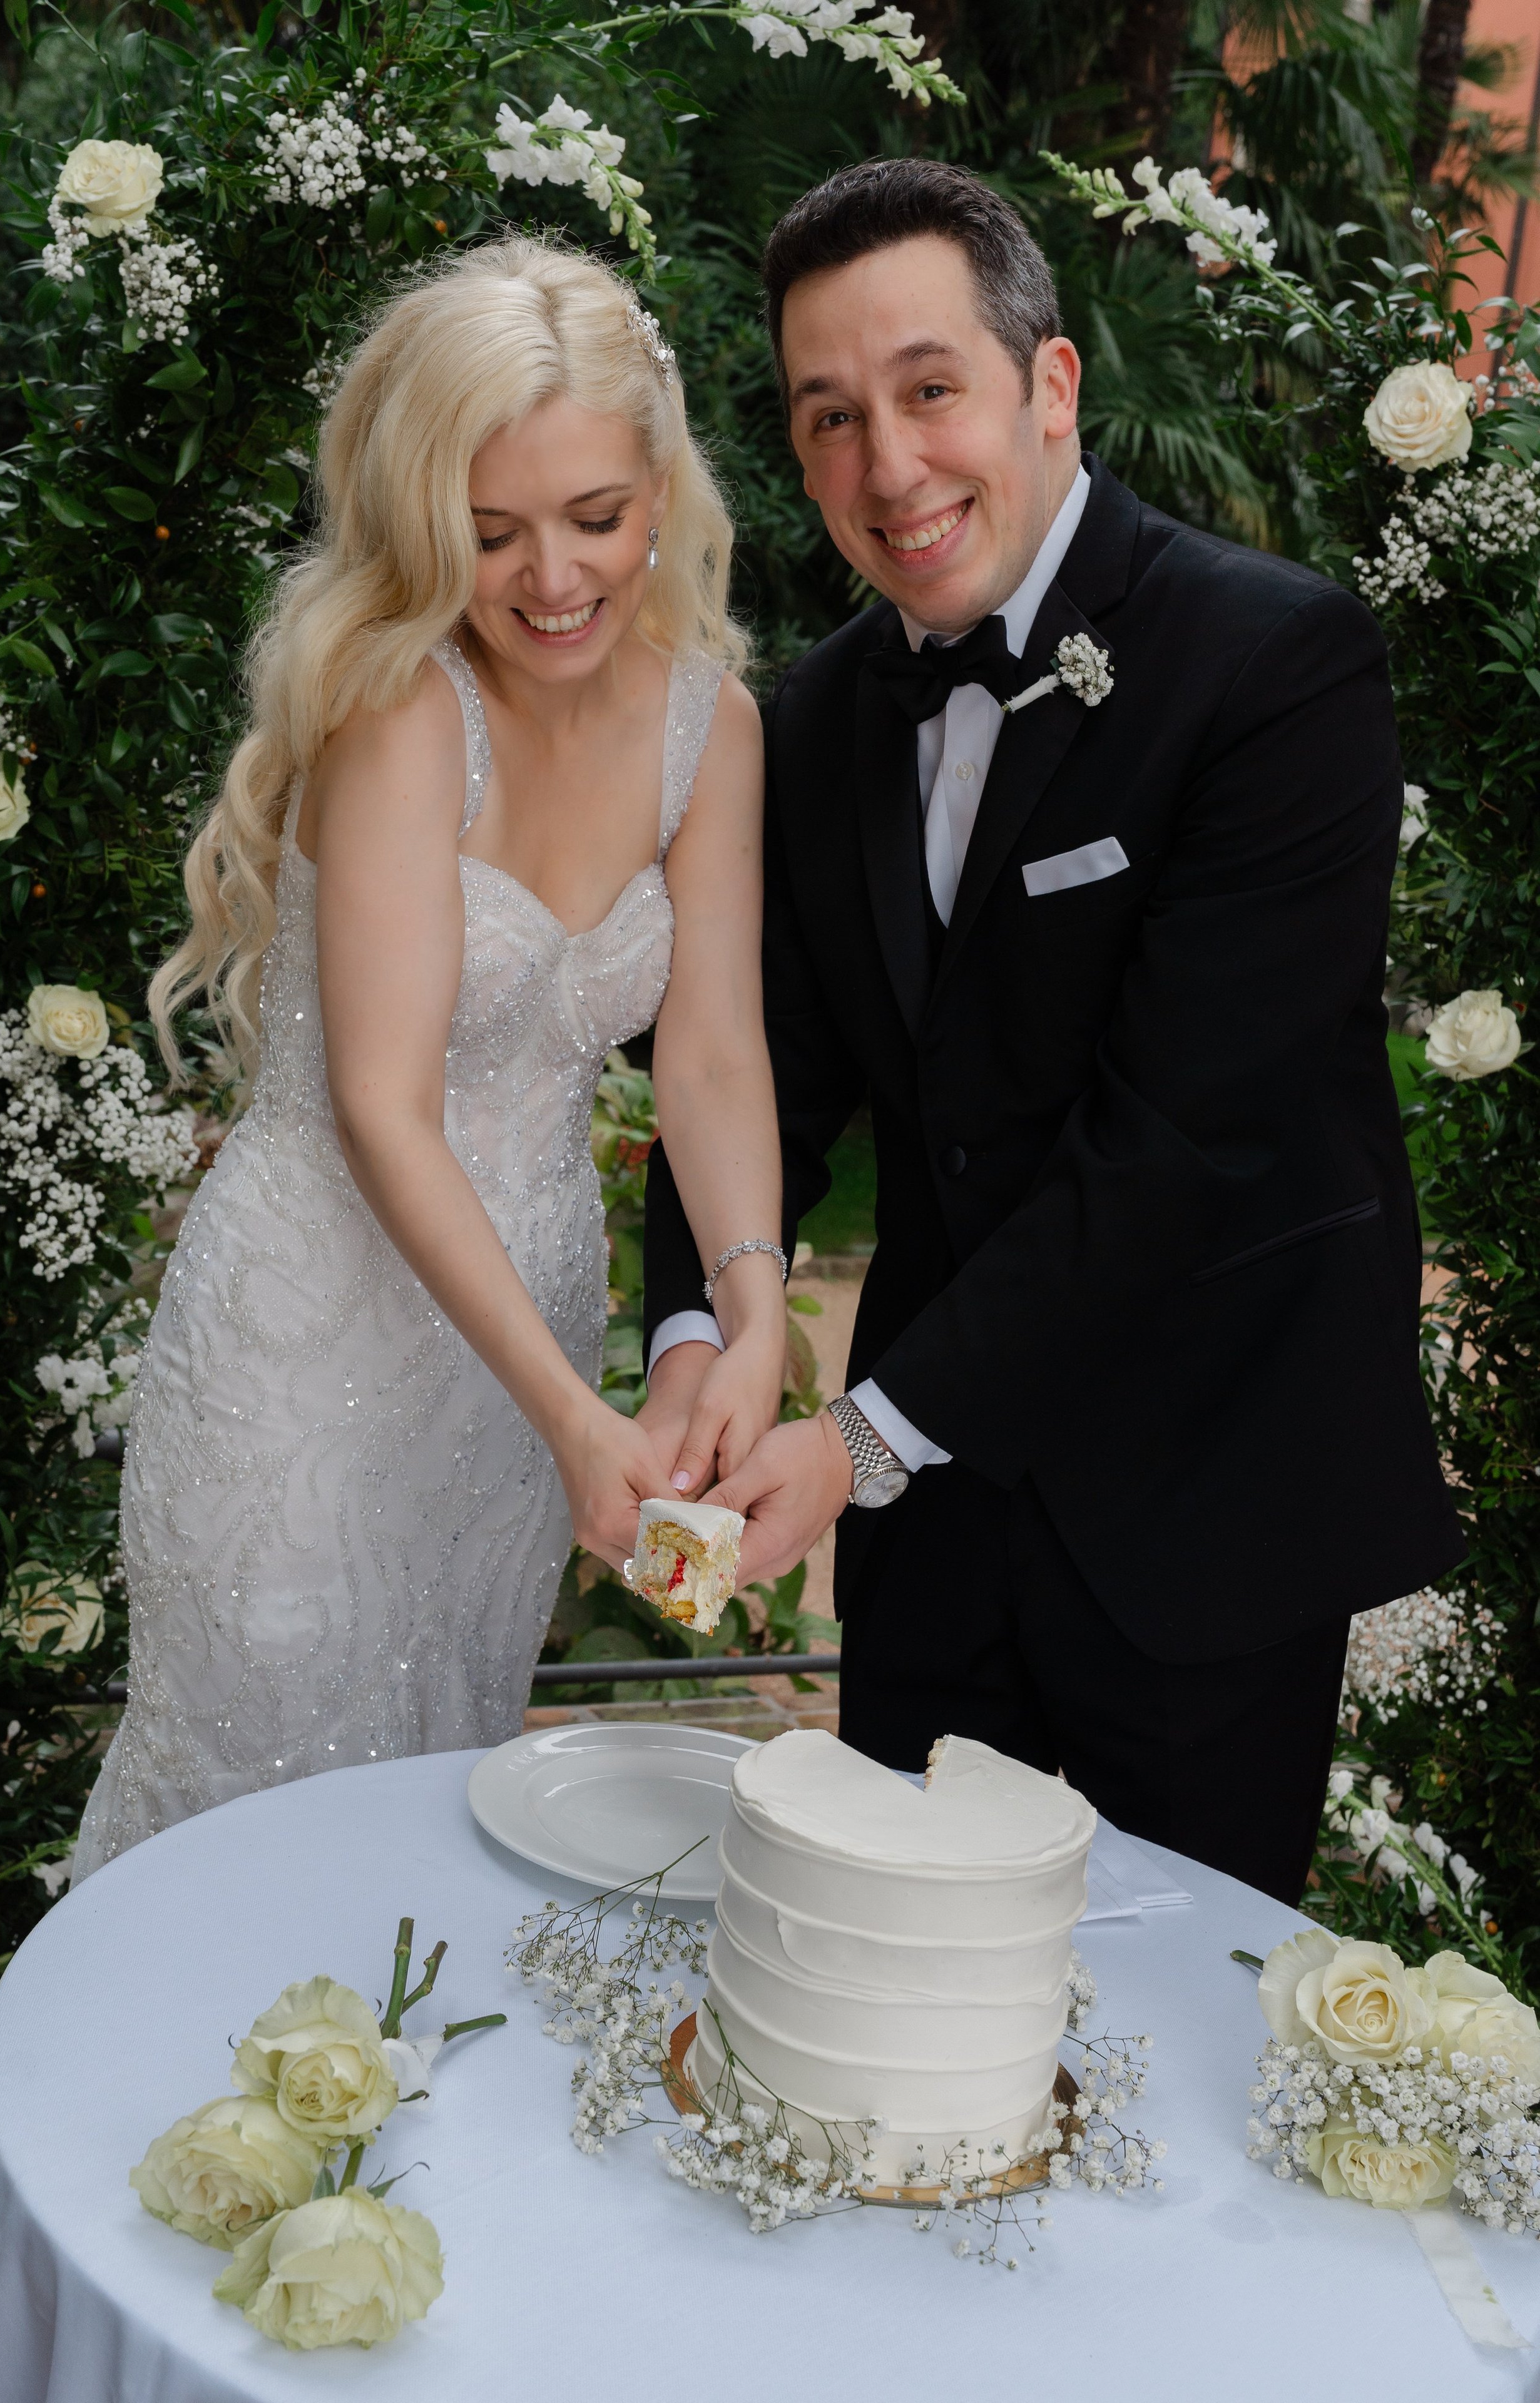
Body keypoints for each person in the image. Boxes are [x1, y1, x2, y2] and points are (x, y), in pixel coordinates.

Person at [640, 158, 1464, 1904]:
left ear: (1053, 384)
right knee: (890, 1994)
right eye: (832, 417)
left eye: (930, 390)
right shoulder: (817, 717)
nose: (889, 467)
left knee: (1169, 2051)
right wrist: (696, 1347)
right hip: (936, 1541)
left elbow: (1178, 1151)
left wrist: (854, 1435)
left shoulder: (1283, 668)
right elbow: (746, 1070)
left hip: (1209, 1515)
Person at [71, 239, 788, 1880]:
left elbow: (716, 1054)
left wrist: (749, 1309)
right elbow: (383, 1110)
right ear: (418, 525)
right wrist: (579, 1423)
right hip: (303, 1347)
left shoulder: (712, 729)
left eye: (597, 518)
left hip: (520, 1350)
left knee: (434, 1806)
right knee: (255, 1805)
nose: (551, 579)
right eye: (489, 535)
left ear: (662, 486)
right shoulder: (400, 707)